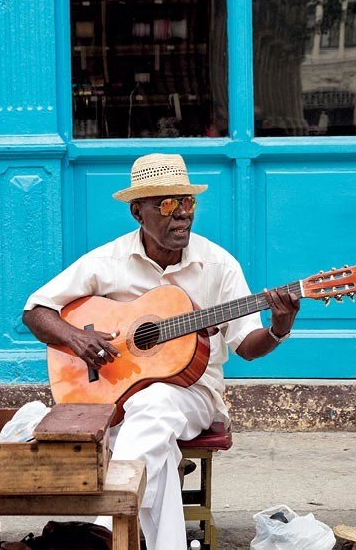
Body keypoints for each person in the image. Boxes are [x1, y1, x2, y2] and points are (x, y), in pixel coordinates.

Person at [23, 153, 301, 550]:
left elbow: (246, 347)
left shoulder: (218, 265)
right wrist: (76, 339)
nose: (182, 215)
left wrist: (278, 328)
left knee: (154, 404)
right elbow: (36, 311)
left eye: (187, 203)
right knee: (160, 453)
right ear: (138, 212)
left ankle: (104, 531)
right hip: (117, 398)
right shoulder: (107, 261)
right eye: (167, 204)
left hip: (195, 394)